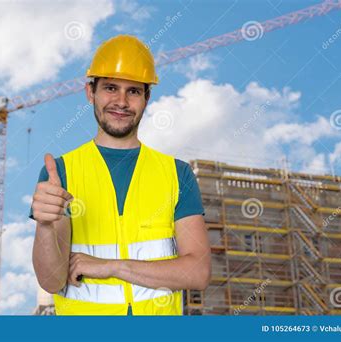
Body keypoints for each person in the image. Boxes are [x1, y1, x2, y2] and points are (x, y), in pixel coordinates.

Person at [30, 35, 210, 315]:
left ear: (146, 98)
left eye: (133, 91)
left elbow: (198, 272)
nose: (121, 101)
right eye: (111, 88)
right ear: (91, 92)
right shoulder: (62, 172)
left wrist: (113, 267)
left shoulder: (177, 174)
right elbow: (52, 281)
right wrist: (43, 226)